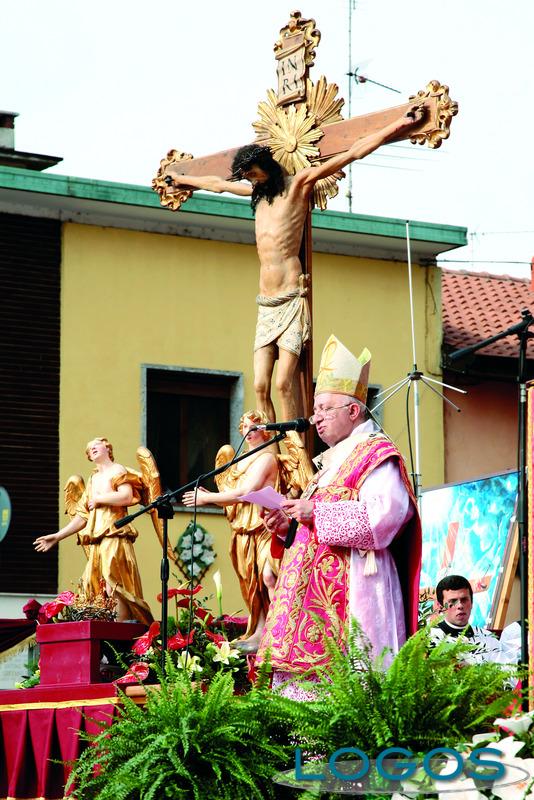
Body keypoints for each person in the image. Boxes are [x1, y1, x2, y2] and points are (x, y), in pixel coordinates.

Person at [164, 106, 425, 422]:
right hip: (266, 302)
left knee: (282, 382)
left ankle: (296, 450)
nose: (250, 180)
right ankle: (272, 454)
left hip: (290, 296)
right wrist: (180, 178)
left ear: (267, 166)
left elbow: (353, 152)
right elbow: (216, 184)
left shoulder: (298, 185)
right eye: (246, 176)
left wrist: (399, 124)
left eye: (253, 173)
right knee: (259, 386)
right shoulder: (257, 196)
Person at [255, 334, 422, 695]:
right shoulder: (331, 463)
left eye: (324, 409)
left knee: (350, 690)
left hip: (357, 584)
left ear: (353, 410)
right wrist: (287, 526)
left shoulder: (375, 454)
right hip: (309, 596)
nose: (315, 418)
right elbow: (311, 524)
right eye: (315, 410)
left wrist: (314, 511)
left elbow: (385, 517)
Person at [182, 411, 281, 649]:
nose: (250, 431)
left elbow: (245, 491)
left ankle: (280, 629)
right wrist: (212, 497)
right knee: (251, 582)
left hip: (266, 525)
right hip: (244, 530)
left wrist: (206, 500)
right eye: (246, 427)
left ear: (266, 429)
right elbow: (231, 499)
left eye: (255, 426)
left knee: (269, 576)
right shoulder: (242, 460)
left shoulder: (268, 458)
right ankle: (260, 630)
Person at [33, 437, 153, 625]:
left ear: (107, 447)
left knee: (114, 579)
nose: (91, 449)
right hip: (97, 538)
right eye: (89, 449)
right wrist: (58, 536)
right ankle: (107, 626)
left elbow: (126, 495)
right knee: (95, 582)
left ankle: (121, 625)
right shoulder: (93, 479)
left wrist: (100, 499)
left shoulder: (118, 470)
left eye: (95, 445)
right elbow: (82, 516)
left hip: (114, 533)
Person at [428, 574, 507, 664]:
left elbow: (506, 673)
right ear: (440, 606)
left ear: (472, 602)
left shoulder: (488, 638)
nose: (460, 606)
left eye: (464, 600)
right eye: (453, 601)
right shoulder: (428, 640)